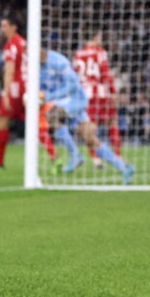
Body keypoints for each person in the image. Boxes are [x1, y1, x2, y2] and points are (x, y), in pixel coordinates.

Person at [40, 48, 134, 184]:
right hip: (64, 103)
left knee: (52, 115)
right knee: (89, 138)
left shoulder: (59, 61)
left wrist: (49, 97)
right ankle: (124, 168)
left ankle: (75, 155)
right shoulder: (36, 67)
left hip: (76, 100)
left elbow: (73, 86)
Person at [0, 17, 58, 172]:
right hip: (29, 88)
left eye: (5, 26)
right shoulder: (24, 43)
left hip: (16, 89)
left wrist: (6, 93)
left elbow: (9, 71)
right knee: (35, 123)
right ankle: (55, 158)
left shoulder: (11, 46)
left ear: (14, 27)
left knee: (2, 122)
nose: (2, 29)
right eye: (1, 26)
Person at [74, 30, 121, 168]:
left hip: (84, 94)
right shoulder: (100, 52)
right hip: (99, 93)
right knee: (113, 122)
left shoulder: (78, 54)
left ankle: (96, 159)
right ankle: (117, 156)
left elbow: (74, 75)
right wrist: (112, 91)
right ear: (96, 36)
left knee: (89, 127)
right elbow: (105, 72)